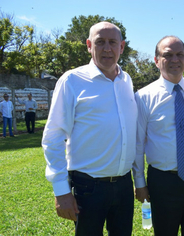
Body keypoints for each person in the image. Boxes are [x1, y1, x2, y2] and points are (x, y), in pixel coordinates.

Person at [42, 22, 137, 236]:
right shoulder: (72, 80)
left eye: (112, 43)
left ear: (121, 47)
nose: (106, 48)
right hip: (88, 188)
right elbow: (53, 137)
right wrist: (61, 191)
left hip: (123, 184)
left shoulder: (126, 80)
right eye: (99, 42)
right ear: (88, 45)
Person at [133, 35, 184, 236]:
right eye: (168, 55)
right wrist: (140, 184)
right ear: (156, 60)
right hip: (163, 183)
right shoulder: (143, 97)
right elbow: (137, 144)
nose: (175, 60)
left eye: (180, 55)